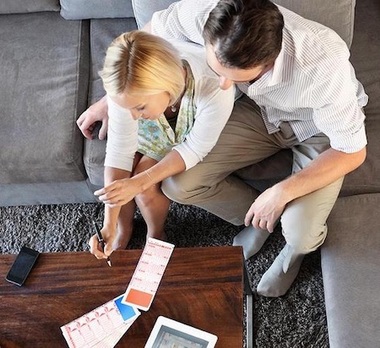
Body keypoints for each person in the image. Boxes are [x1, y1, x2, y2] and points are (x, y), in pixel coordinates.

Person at [80, 0, 368, 297]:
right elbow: (148, 40)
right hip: (261, 112)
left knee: (300, 233)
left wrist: (280, 192)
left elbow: (352, 151)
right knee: (180, 184)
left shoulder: (324, 67)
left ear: (267, 63)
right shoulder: (212, 14)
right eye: (215, 67)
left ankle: (291, 256)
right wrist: (111, 100)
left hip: (317, 129)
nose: (219, 83)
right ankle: (258, 219)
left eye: (231, 76)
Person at [80, 30, 234, 259]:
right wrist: (108, 224)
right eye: (127, 108)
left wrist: (139, 182)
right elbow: (119, 151)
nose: (132, 116)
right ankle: (123, 229)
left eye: (139, 107)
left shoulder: (213, 84)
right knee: (125, 174)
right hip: (151, 131)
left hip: (183, 135)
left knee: (144, 185)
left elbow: (194, 149)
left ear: (166, 86)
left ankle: (156, 234)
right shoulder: (128, 91)